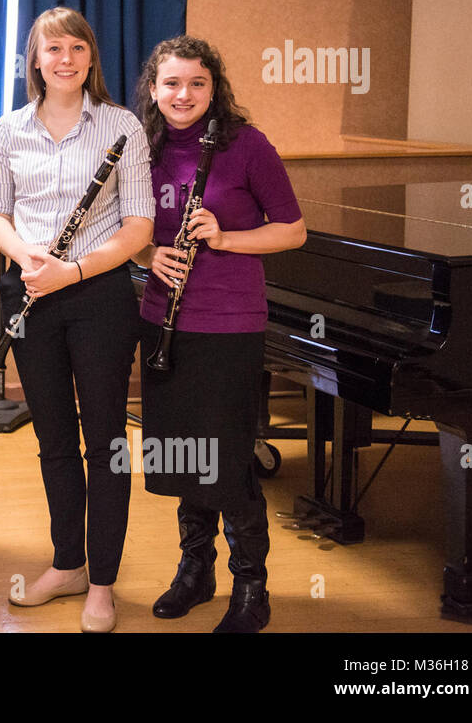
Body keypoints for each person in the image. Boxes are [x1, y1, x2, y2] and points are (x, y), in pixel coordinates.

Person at [0, 6, 153, 632]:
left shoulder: (122, 126)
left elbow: (139, 226)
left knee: (105, 440)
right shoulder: (10, 129)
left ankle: (102, 584)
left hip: (98, 295)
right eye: (52, 49)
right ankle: (68, 563)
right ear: (34, 59)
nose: (65, 60)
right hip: (30, 290)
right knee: (52, 437)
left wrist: (73, 271)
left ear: (90, 57)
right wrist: (23, 252)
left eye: (76, 49)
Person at [132, 35, 306, 633]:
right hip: (162, 322)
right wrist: (151, 253)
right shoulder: (141, 145)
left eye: (197, 83)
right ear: (153, 89)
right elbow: (124, 229)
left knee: (226, 458)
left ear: (214, 87)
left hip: (229, 324)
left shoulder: (246, 145)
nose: (184, 94)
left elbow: (292, 231)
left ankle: (251, 587)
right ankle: (195, 570)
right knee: (182, 452)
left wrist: (225, 237)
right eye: (172, 83)